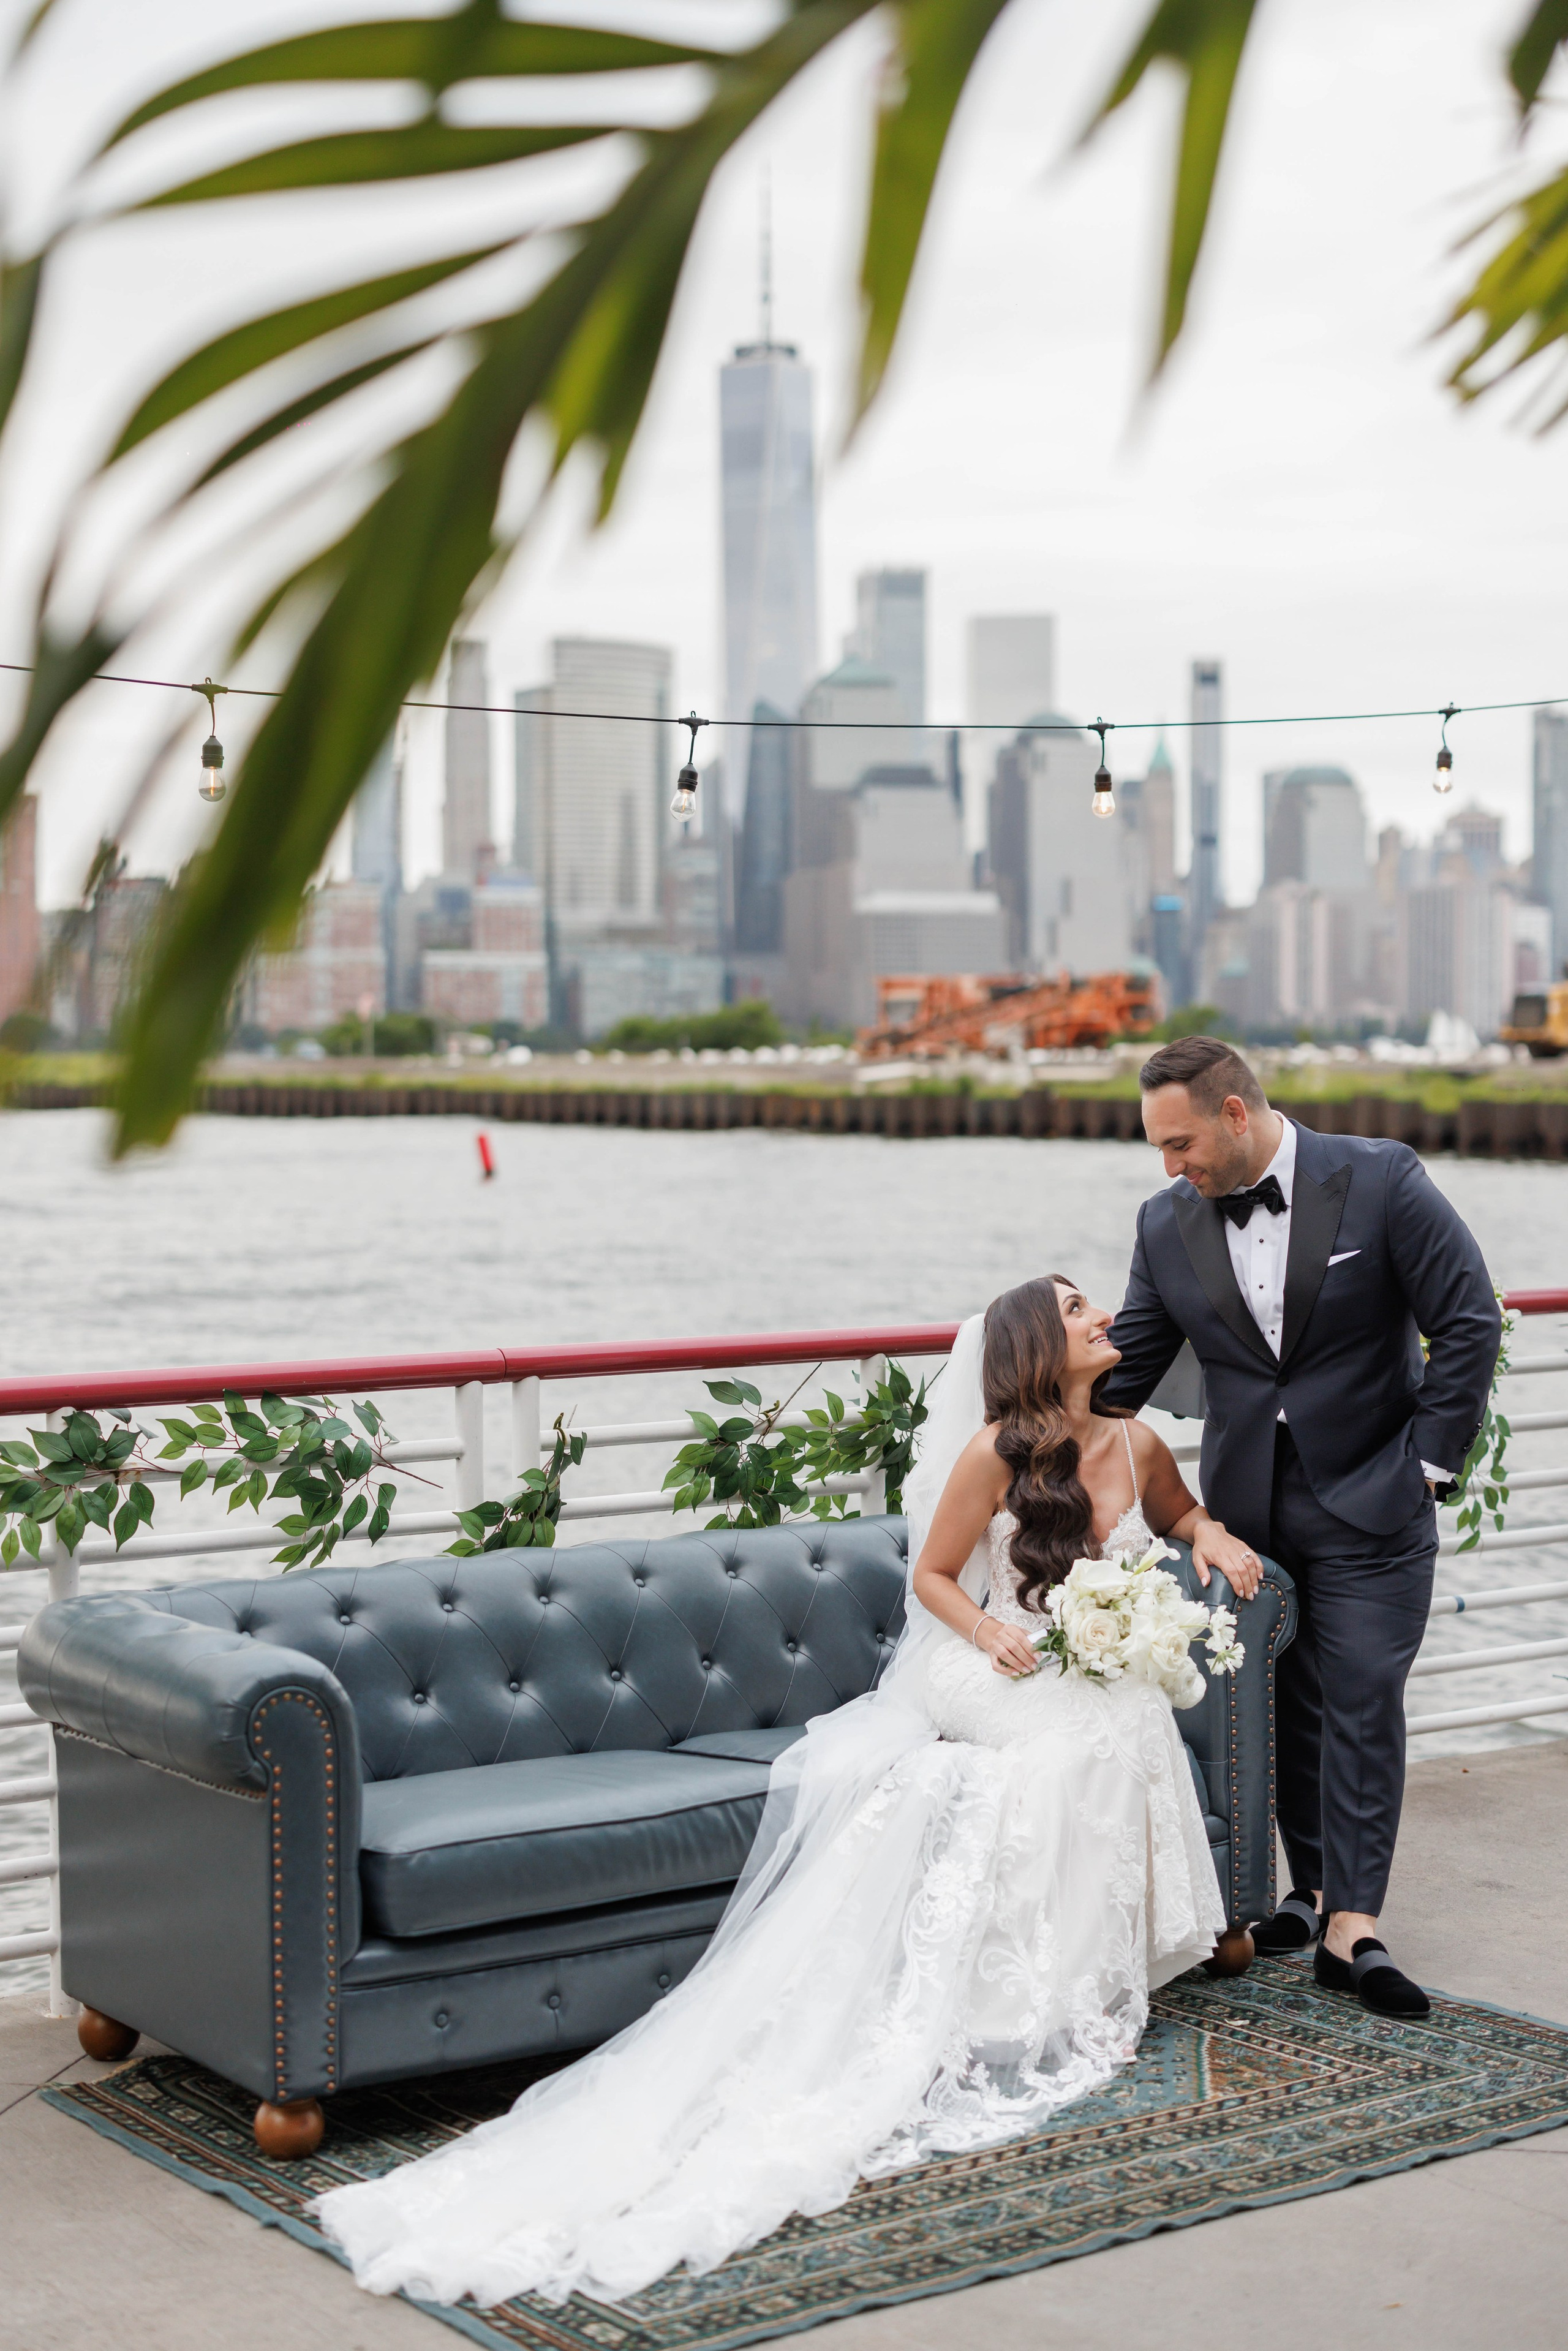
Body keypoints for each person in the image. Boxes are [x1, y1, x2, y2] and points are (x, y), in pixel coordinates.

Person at [315, 1278, 1253, 2311]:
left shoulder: (1141, 1443)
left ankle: (1100, 1967)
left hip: (1088, 1661)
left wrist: (1209, 1538)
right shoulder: (996, 1452)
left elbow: (1182, 1514)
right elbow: (938, 1579)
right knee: (1080, 1741)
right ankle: (1038, 1994)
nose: (1099, 1315)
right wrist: (993, 1633)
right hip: (989, 1658)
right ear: (1041, 1343)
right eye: (1076, 1308)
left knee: (1126, 1720)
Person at [1100, 1035, 1500, 2019]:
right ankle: (1310, 1890)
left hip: (1376, 1495)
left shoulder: (1380, 1178)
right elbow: (1126, 1371)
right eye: (1157, 1146)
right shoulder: (1164, 1224)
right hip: (1245, 1514)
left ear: (1236, 1113)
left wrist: (1428, 1468)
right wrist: (1011, 1422)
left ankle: (1354, 1926)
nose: (1170, 1166)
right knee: (1285, 1707)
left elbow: (1468, 1319)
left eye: (1181, 1141)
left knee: (1363, 1692)